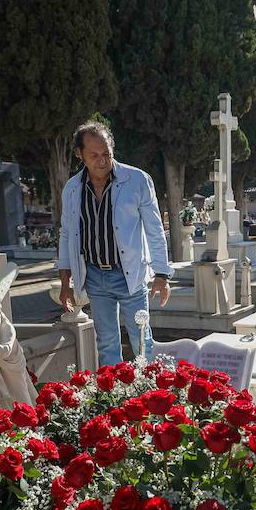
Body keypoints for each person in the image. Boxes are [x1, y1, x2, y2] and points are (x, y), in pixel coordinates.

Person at [57, 121, 172, 365]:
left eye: (107, 154)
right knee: (107, 343)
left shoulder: (137, 180)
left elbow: (154, 229)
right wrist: (65, 282)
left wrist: (162, 274)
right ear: (80, 155)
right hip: (95, 277)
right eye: (94, 155)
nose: (102, 161)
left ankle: (151, 396)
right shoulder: (72, 189)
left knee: (142, 341)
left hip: (130, 275)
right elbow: (67, 234)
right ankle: (116, 398)